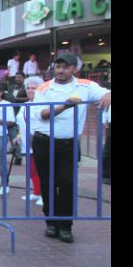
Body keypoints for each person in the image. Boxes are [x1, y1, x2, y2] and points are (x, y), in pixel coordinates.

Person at [31, 53, 111, 243]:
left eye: (65, 67)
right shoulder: (44, 87)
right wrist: (64, 106)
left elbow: (104, 92)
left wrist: (108, 93)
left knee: (66, 183)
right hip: (44, 141)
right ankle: (51, 223)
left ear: (74, 69)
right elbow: (41, 114)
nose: (60, 71)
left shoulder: (85, 85)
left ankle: (65, 226)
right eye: (58, 67)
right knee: (48, 183)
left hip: (68, 144)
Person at [12, 76, 45, 206]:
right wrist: (19, 136)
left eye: (34, 88)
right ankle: (36, 192)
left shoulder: (42, 105)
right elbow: (21, 123)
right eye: (28, 88)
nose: (31, 90)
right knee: (32, 171)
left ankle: (45, 195)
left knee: (42, 171)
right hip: (27, 143)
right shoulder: (25, 105)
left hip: (39, 142)